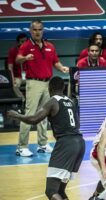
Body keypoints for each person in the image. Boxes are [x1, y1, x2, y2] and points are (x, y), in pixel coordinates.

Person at [7, 77, 85, 200]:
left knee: (50, 191)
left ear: (50, 88)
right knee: (61, 191)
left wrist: (17, 115)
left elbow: (35, 119)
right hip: (79, 143)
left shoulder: (52, 101)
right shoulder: (70, 101)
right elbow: (77, 123)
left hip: (66, 145)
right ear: (63, 88)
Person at [15, 20, 69, 157]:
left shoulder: (50, 46)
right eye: (34, 30)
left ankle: (43, 144)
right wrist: (25, 58)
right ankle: (22, 147)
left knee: (44, 114)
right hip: (33, 83)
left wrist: (61, 67)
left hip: (47, 84)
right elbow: (18, 59)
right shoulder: (26, 45)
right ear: (30, 31)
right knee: (29, 114)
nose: (37, 32)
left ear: (43, 30)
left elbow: (55, 61)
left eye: (39, 29)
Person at [7, 33, 27, 99]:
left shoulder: (30, 50)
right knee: (14, 85)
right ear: (17, 42)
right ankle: (22, 100)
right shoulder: (12, 51)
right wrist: (12, 79)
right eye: (22, 41)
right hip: (17, 77)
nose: (24, 43)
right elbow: (10, 67)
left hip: (28, 76)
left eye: (25, 41)